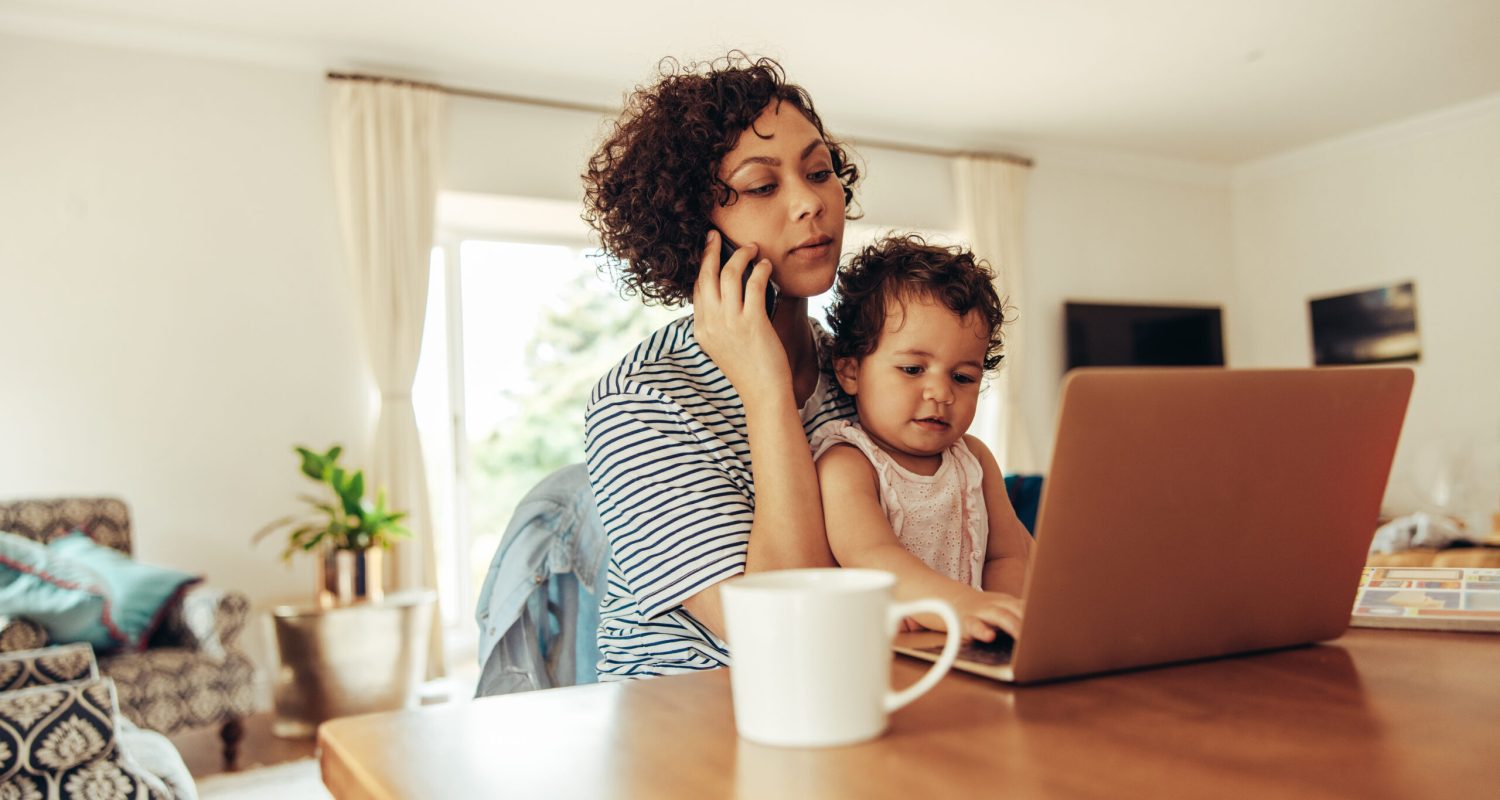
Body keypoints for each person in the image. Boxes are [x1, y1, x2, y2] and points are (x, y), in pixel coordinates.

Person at [581, 54, 860, 679]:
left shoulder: (858, 370)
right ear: (692, 229)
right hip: (689, 736)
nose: (810, 203)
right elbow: (786, 629)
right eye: (764, 186)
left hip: (847, 696)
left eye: (819, 171)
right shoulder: (637, 404)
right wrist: (764, 387)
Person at [814, 235, 1032, 642]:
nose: (941, 393)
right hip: (894, 655)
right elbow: (872, 557)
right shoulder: (848, 462)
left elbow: (1008, 555)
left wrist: (1001, 620)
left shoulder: (975, 460)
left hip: (967, 643)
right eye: (913, 369)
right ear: (850, 372)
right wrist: (963, 605)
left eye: (963, 377)